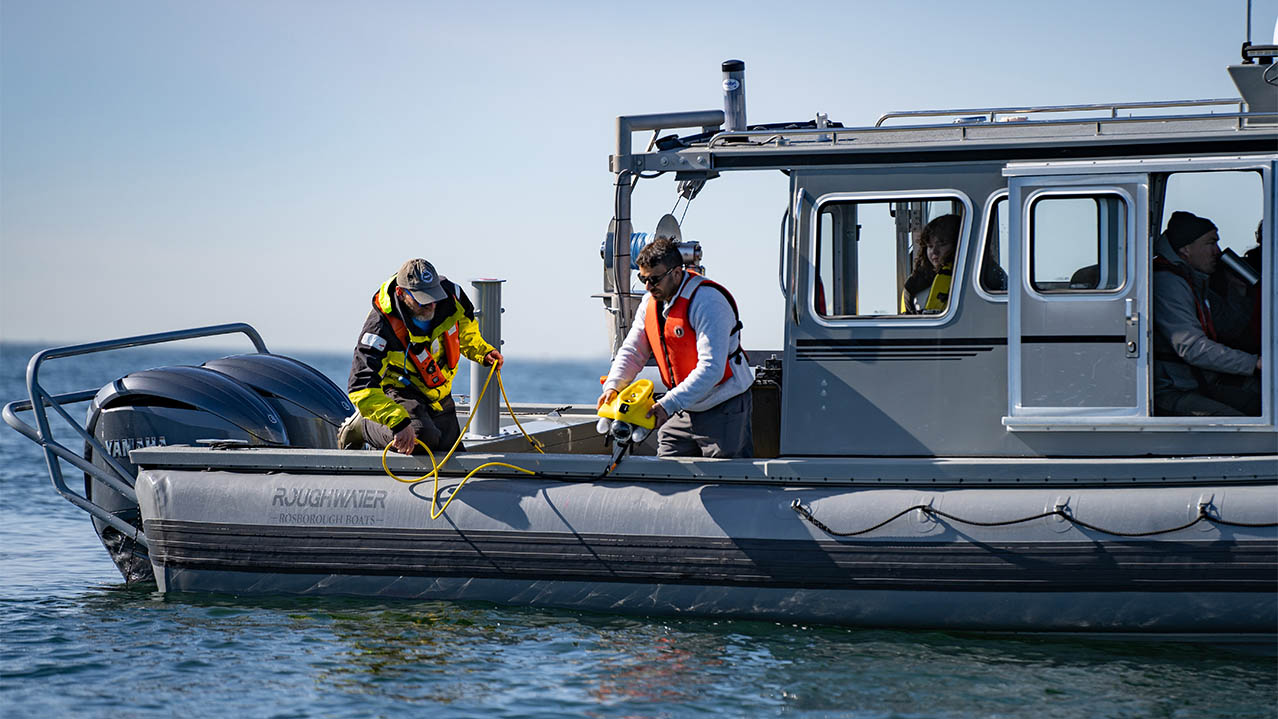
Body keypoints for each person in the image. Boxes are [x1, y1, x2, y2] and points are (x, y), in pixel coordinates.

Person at [597, 238, 755, 458]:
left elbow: (712, 368)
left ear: (677, 273)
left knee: (727, 477)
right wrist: (613, 387)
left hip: (722, 404)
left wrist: (668, 404)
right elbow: (633, 351)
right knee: (668, 461)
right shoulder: (649, 303)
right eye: (643, 278)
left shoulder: (708, 302)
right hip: (682, 407)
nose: (648, 287)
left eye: (655, 279)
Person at [339, 258, 503, 454]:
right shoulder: (379, 327)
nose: (431, 304)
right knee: (420, 439)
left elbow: (466, 331)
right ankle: (364, 426)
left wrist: (482, 352)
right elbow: (361, 387)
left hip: (438, 391)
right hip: (399, 391)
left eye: (433, 296)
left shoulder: (452, 298)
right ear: (401, 293)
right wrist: (397, 423)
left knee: (453, 456)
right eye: (422, 299)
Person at [1152, 211, 1261, 417]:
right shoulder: (1169, 283)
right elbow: (1192, 347)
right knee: (1241, 424)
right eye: (1211, 243)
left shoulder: (1193, 281)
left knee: (1261, 400)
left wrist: (1237, 292)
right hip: (1173, 390)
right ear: (1186, 249)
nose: (1218, 252)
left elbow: (1231, 328)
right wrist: (1253, 363)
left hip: (1197, 380)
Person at [905, 214, 960, 314]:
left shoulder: (982, 279)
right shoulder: (913, 286)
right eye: (930, 246)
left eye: (942, 244)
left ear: (959, 243)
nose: (934, 251)